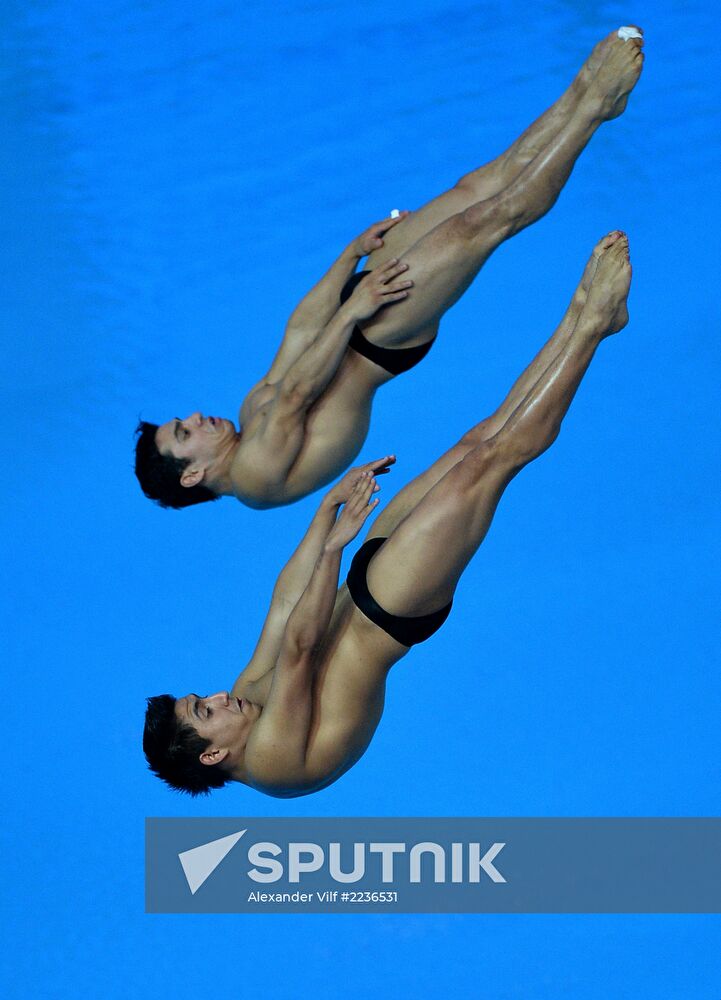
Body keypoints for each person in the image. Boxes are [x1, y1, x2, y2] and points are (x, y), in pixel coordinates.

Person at [143, 231, 632, 797]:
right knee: (494, 462)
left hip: (361, 580)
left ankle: (585, 317)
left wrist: (326, 515)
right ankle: (592, 324)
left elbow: (284, 606)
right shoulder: (273, 764)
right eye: (206, 712)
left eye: (202, 697)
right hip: (391, 608)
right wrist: (333, 549)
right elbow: (299, 651)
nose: (220, 697)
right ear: (216, 755)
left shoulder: (246, 691)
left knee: (479, 440)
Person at [134, 29, 643, 511]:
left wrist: (349, 256)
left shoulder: (248, 413)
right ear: (192, 475)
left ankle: (583, 94)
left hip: (357, 308)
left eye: (183, 420)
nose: (196, 417)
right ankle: (595, 108)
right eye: (185, 433)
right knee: (491, 218)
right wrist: (354, 310)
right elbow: (297, 395)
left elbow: (300, 330)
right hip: (381, 336)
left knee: (477, 186)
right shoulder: (254, 479)